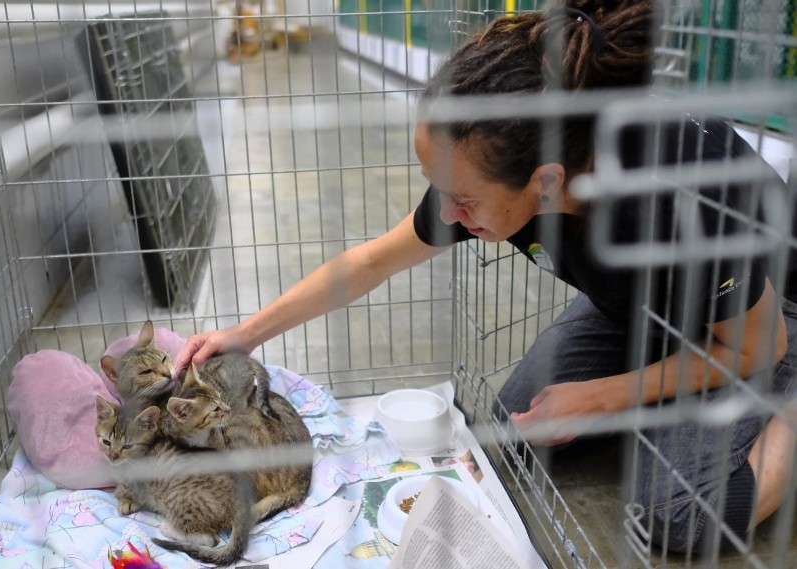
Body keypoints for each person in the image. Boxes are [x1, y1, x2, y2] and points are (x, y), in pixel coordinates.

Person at [176, 0, 796, 553]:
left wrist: (602, 395)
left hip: (765, 319)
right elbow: (370, 261)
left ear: (547, 182)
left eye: (463, 199)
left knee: (677, 516)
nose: (446, 214)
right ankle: (668, 395)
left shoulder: (673, 196)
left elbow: (757, 346)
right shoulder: (502, 163)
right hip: (639, 306)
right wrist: (248, 334)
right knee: (505, 441)